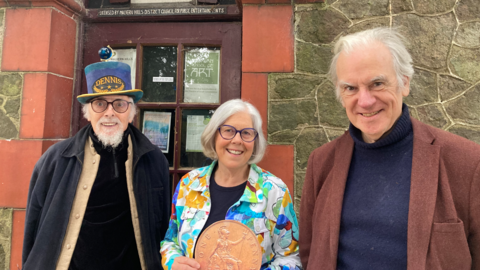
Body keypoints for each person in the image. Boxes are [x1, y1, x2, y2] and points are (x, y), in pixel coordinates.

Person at [299, 27, 480, 269]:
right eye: (350, 88)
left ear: (404, 82)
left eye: (377, 83)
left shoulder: (466, 162)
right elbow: (310, 253)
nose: (365, 101)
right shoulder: (321, 162)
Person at [22, 57, 170, 270]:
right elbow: (33, 225)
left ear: (131, 112)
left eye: (119, 104)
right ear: (88, 113)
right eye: (99, 103)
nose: (109, 112)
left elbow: (163, 225)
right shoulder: (56, 158)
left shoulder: (154, 159)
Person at [160, 99, 302, 270]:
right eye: (228, 131)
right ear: (214, 135)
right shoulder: (189, 184)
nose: (237, 140)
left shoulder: (275, 192)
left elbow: (291, 258)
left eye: (247, 133)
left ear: (255, 142)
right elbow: (170, 241)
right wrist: (172, 262)